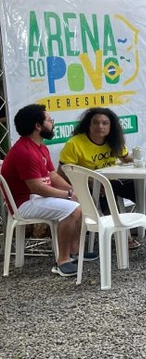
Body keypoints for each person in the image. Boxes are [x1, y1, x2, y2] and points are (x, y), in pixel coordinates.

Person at [1, 105, 84, 277]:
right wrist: (69, 195)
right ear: (38, 126)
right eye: (49, 120)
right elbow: (37, 188)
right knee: (73, 209)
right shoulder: (24, 152)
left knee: (81, 200)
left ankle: (74, 251)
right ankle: (62, 261)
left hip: (36, 197)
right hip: (24, 203)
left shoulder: (40, 146)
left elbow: (52, 176)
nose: (52, 124)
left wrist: (73, 190)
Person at [58, 107, 146, 220]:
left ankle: (138, 223)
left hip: (114, 181)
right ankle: (122, 232)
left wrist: (143, 162)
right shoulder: (74, 143)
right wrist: (89, 181)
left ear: (111, 126)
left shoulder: (114, 140)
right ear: (88, 125)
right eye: (96, 122)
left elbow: (126, 159)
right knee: (106, 192)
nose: (100, 126)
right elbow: (62, 173)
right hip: (90, 184)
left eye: (105, 123)